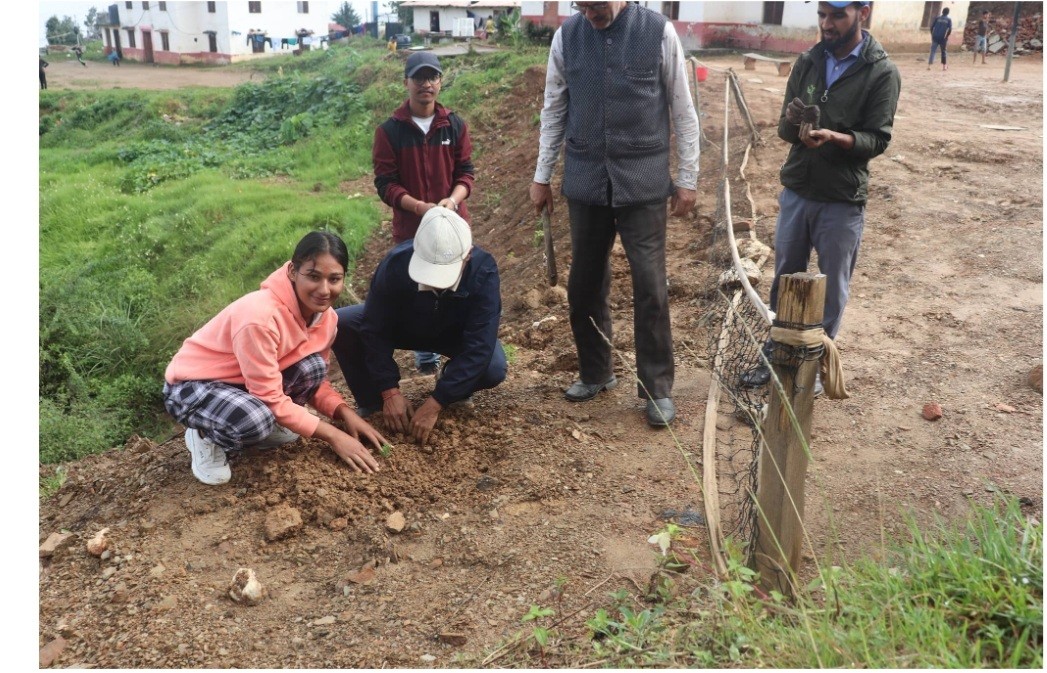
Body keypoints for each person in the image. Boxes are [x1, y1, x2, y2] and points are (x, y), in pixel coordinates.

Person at [528, 1, 700, 427]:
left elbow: (683, 109)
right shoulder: (566, 37)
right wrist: (541, 175)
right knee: (583, 283)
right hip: (586, 180)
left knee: (650, 284)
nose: (590, 13)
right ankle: (596, 371)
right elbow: (554, 109)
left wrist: (688, 177)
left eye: (597, 4)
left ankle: (657, 388)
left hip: (643, 181)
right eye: (581, 5)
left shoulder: (658, 32)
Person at [739, 1, 901, 396]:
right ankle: (778, 351)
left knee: (831, 286)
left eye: (837, 16)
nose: (827, 25)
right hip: (798, 189)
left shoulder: (881, 72)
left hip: (841, 197)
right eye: (822, 15)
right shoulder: (808, 61)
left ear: (862, 13)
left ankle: (813, 364)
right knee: (785, 278)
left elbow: (877, 138)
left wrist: (834, 137)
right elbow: (782, 128)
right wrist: (798, 126)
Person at [163, 231, 388, 485]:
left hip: (241, 382)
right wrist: (334, 436)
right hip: (193, 385)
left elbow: (318, 381)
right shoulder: (260, 318)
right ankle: (204, 434)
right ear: (293, 271)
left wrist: (344, 413)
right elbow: (268, 396)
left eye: (334, 279)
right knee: (256, 420)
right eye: (313, 276)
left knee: (312, 366)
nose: (324, 290)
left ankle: (262, 421)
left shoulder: (327, 319)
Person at [332, 207, 506, 446]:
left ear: (467, 256)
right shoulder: (395, 263)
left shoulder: (483, 271)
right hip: (406, 325)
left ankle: (452, 384)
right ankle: (373, 406)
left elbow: (480, 345)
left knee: (493, 367)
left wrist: (437, 402)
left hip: (453, 334)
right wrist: (389, 391)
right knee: (342, 323)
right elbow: (374, 328)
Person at [372, 51, 475, 377]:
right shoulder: (390, 131)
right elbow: (386, 184)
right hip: (412, 230)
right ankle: (426, 364)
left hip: (453, 226)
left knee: (457, 293)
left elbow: (466, 173)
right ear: (406, 83)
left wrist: (452, 201)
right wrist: (418, 207)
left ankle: (458, 366)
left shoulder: (455, 126)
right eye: (418, 78)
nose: (426, 84)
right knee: (420, 294)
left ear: (440, 83)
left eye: (432, 78)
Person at [928, 7, 952, 71]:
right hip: (943, 38)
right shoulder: (948, 20)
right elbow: (950, 29)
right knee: (943, 52)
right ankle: (944, 67)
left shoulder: (937, 18)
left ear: (942, 12)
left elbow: (931, 27)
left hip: (935, 37)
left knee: (933, 51)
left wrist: (932, 34)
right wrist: (946, 36)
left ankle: (929, 66)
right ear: (948, 13)